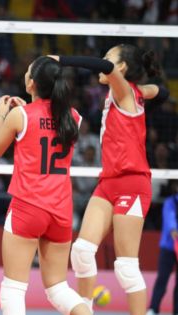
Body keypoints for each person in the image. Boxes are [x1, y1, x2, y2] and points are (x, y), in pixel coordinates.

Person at [51, 46, 168, 314]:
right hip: (108, 183)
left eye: (109, 57)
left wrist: (60, 60)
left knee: (126, 267)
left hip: (133, 183)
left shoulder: (124, 91)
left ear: (122, 68)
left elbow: (105, 68)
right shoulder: (130, 93)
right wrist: (151, 92)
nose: (104, 62)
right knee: (81, 251)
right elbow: (164, 92)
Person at [0, 56, 90, 315]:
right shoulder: (74, 117)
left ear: (31, 83)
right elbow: (47, 123)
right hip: (60, 211)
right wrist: (24, 113)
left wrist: (3, 116)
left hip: (28, 207)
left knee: (13, 288)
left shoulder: (19, 115)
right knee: (58, 289)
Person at [147, 181, 178, 315]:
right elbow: (172, 227)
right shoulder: (170, 203)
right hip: (168, 249)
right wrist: (174, 230)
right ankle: (153, 309)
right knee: (162, 280)